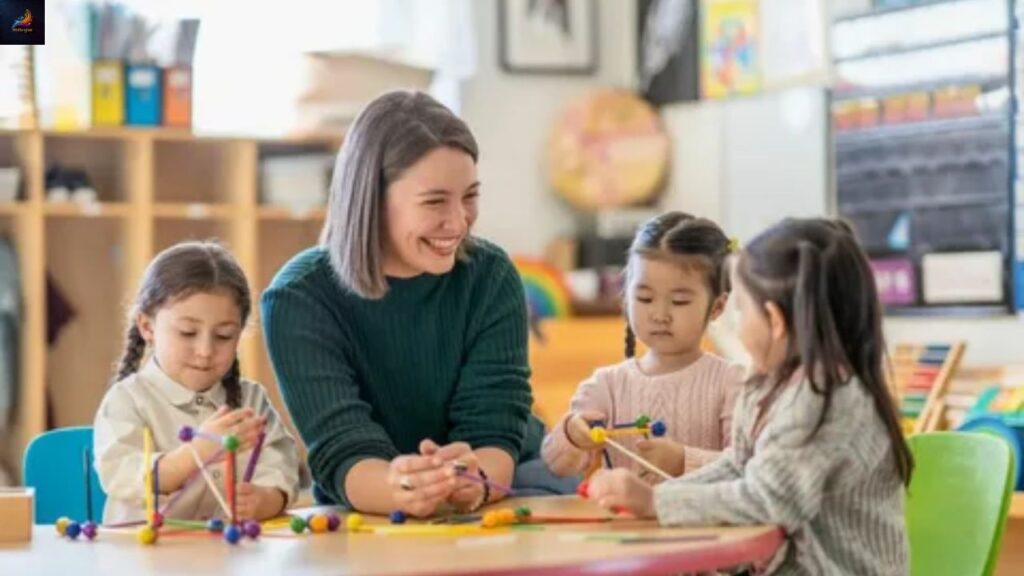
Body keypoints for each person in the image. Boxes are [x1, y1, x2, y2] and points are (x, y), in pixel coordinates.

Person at [587, 218, 913, 574]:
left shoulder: (828, 397)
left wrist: (656, 502)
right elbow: (738, 465)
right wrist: (654, 498)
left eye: (742, 309)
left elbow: (769, 501)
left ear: (774, 320)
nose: (737, 326)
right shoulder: (767, 385)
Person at [94, 242, 300, 523]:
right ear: (147, 327)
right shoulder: (127, 399)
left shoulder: (251, 400)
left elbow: (280, 466)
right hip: (144, 559)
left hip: (226, 558)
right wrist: (198, 451)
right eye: (188, 332)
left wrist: (266, 499)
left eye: (224, 336)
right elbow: (123, 476)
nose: (205, 350)